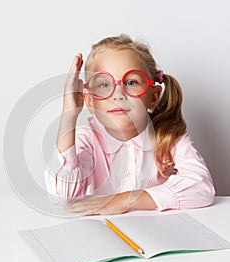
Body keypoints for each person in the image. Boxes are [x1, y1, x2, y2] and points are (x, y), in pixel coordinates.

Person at [44, 34, 215, 215]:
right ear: (89, 101)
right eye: (103, 84)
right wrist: (68, 116)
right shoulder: (87, 138)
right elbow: (61, 195)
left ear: (154, 96)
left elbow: (202, 187)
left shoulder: (168, 137)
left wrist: (126, 200)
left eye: (131, 82)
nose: (118, 94)